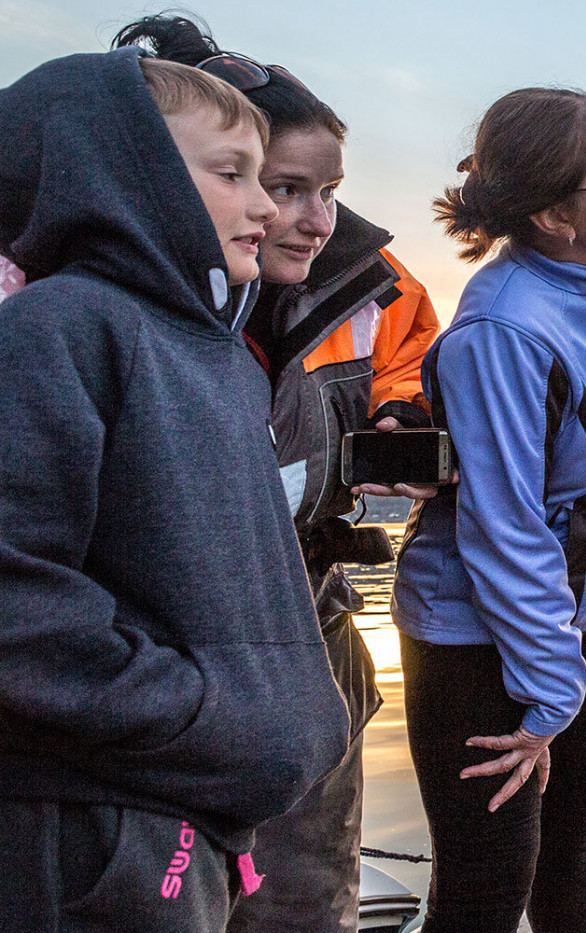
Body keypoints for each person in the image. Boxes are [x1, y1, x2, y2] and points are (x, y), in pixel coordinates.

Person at [0, 50, 349, 933]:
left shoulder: (220, 356)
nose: (268, 207)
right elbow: (14, 585)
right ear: (120, 174)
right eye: (232, 174)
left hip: (196, 814)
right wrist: (191, 713)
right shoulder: (61, 328)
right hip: (99, 824)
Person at [112, 16, 441, 932]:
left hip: (311, 620)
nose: (305, 216)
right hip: (169, 655)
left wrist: (401, 415)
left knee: (305, 897)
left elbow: (413, 343)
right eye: (278, 186)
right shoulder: (108, 308)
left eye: (326, 189)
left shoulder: (365, 280)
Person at [391, 87, 586, 932]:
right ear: (555, 213)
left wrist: (579, 653)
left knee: (574, 841)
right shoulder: (504, 332)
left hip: (585, 610)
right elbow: (504, 528)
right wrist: (551, 696)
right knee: (489, 877)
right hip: (475, 635)